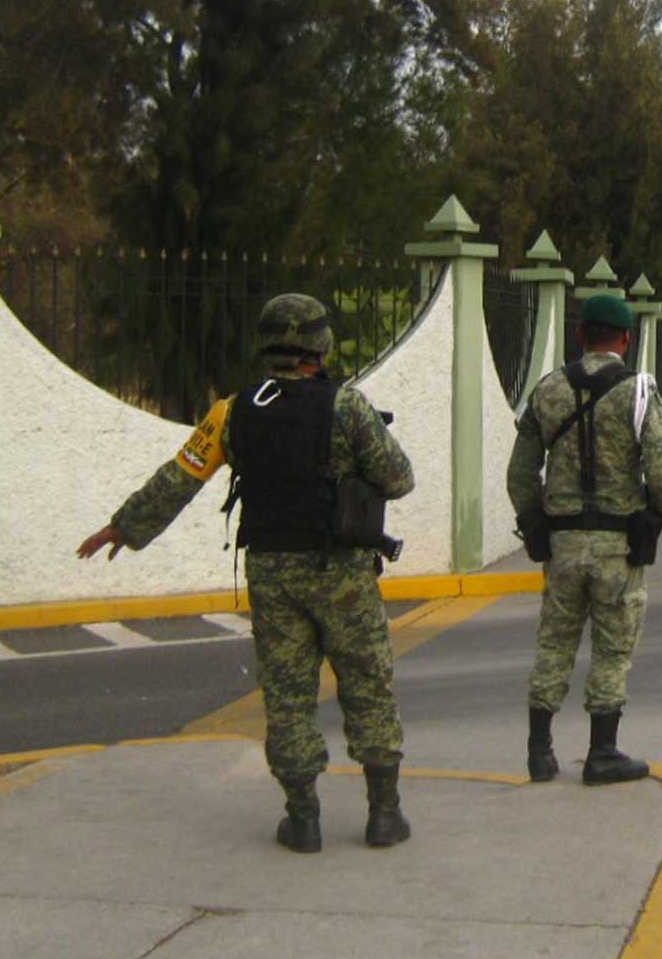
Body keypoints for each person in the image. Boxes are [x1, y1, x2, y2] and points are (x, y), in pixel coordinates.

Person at [76, 293, 415, 854]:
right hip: (343, 574)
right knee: (367, 685)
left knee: (286, 697)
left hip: (271, 573)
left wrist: (124, 528)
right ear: (321, 345)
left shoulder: (231, 412)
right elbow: (399, 478)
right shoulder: (347, 406)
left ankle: (302, 820)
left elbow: (179, 477)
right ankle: (384, 814)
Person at [508, 293, 662, 785]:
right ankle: (602, 752)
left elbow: (520, 473)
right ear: (626, 340)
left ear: (580, 334)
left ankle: (539, 751)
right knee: (611, 651)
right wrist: (655, 515)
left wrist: (535, 524)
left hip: (563, 546)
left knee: (554, 643)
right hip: (617, 548)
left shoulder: (547, 391)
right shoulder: (640, 392)